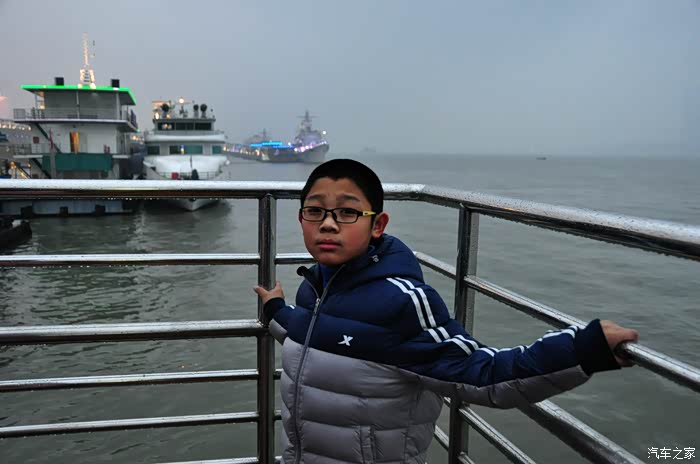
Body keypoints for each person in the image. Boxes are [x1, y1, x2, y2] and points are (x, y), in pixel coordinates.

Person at [254, 159, 638, 464]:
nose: (328, 224)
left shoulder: (401, 304)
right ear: (301, 219)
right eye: (315, 211)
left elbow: (484, 375)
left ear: (378, 225)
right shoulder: (313, 289)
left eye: (347, 212)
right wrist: (274, 308)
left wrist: (582, 349)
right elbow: (303, 329)